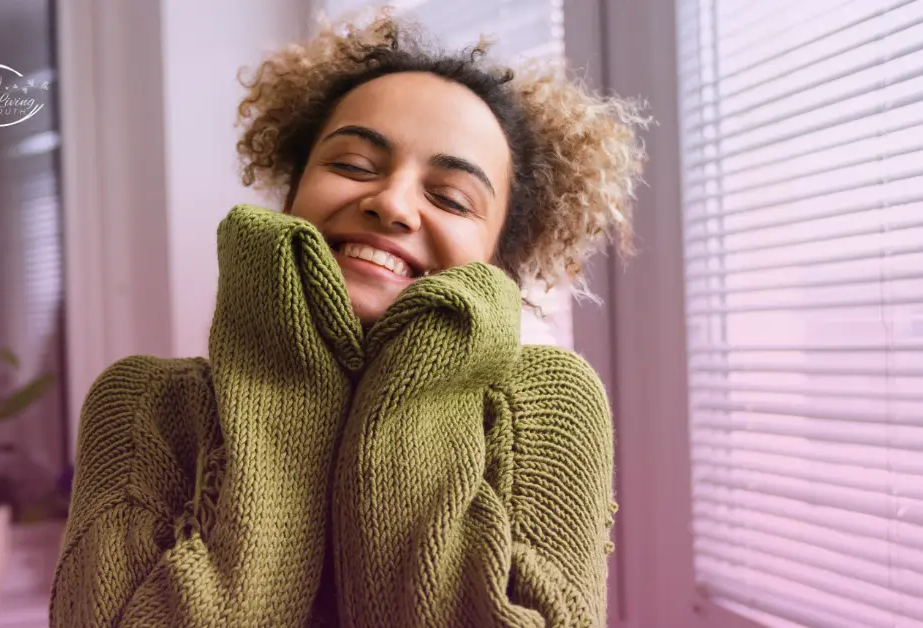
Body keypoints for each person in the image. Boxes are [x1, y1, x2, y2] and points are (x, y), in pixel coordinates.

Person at [50, 10, 646, 628]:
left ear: (498, 258)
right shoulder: (140, 402)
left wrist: (421, 385)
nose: (390, 204)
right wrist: (285, 380)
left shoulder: (550, 402)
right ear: (292, 197)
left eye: (449, 198)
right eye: (355, 166)